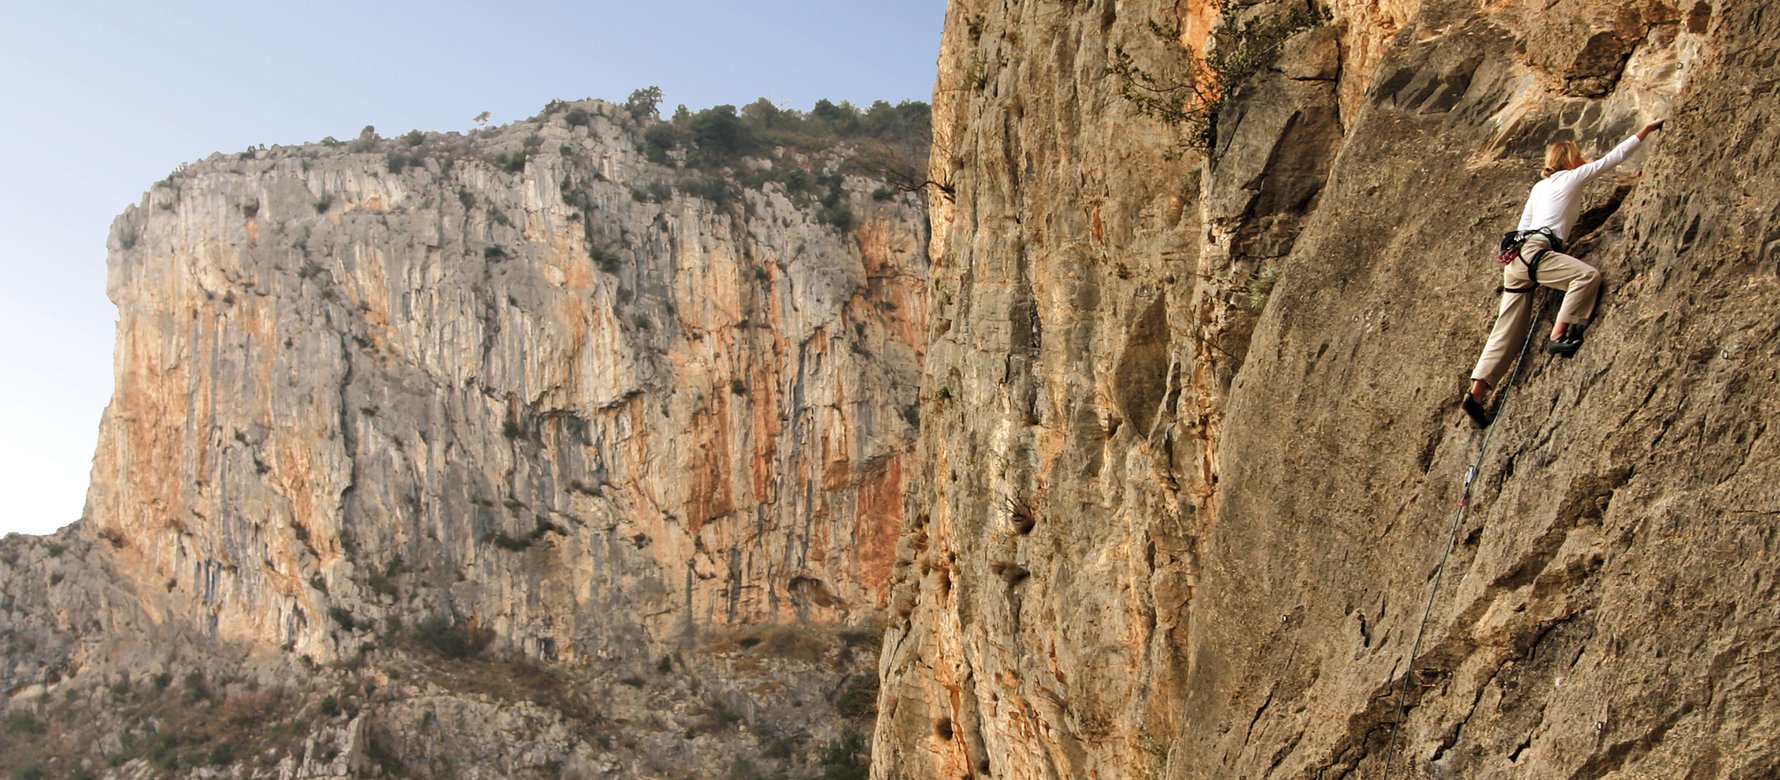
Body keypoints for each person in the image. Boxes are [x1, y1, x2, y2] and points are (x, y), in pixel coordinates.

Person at [1461, 118, 1666, 428]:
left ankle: (1476, 393)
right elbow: (1613, 159)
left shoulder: (1539, 187)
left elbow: (1522, 225)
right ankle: (1559, 334)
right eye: (1579, 155)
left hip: (1518, 258)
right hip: (1538, 254)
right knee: (1586, 277)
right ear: (1570, 160)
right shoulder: (1572, 177)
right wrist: (1645, 131)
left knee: (1507, 329)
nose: (1584, 159)